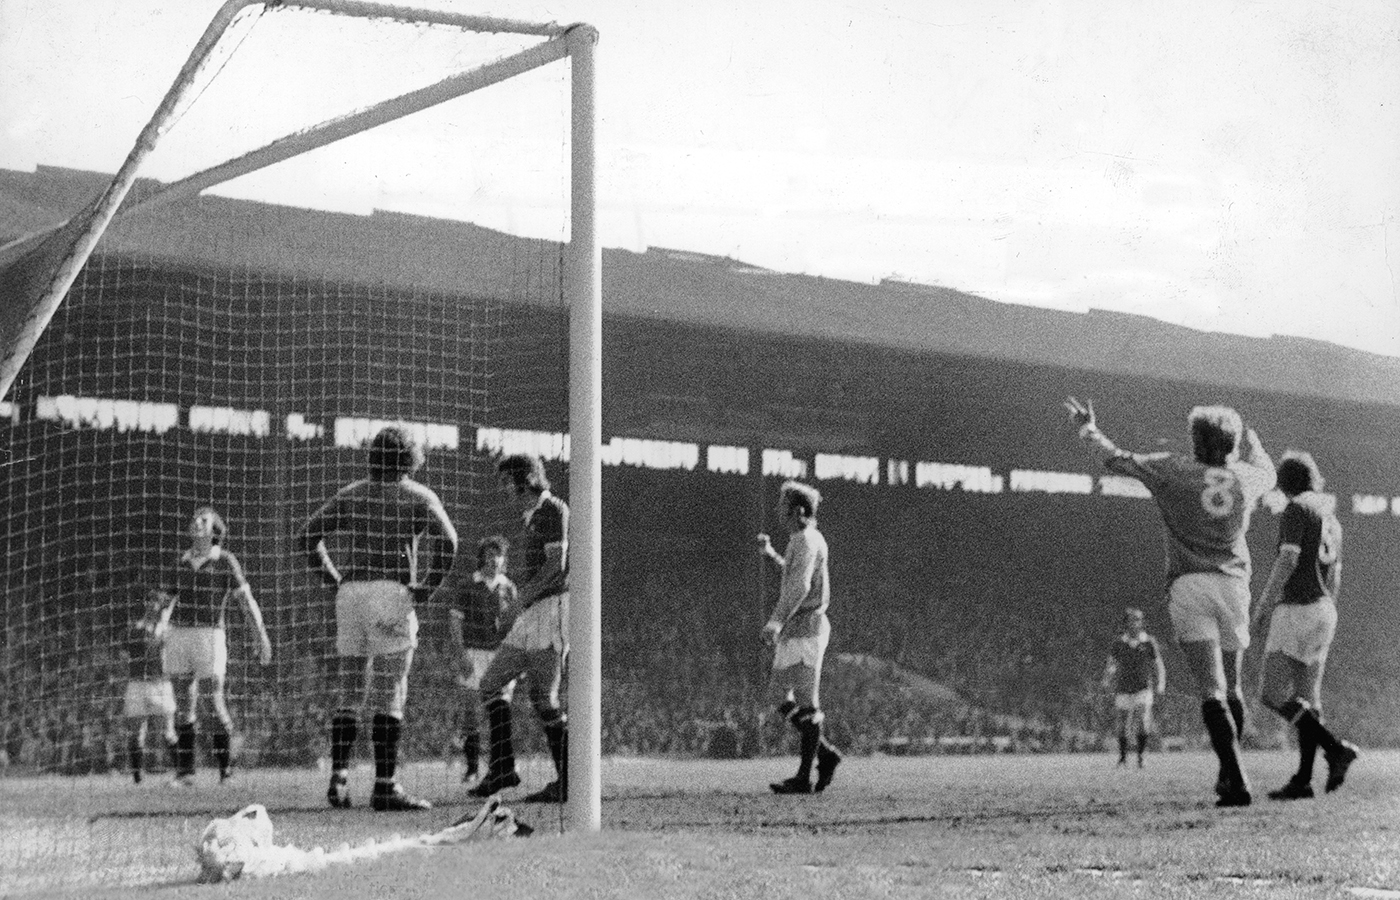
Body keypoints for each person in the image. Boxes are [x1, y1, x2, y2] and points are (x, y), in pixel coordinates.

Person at [1066, 398, 1274, 807]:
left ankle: (1237, 776)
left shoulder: (1172, 469)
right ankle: (1227, 774)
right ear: (1230, 444)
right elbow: (1267, 471)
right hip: (1234, 586)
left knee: (1210, 689)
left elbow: (1115, 460)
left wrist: (1087, 429)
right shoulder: (1246, 478)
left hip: (1190, 585)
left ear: (1195, 440)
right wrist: (1255, 444)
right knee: (1232, 686)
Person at [298, 425, 458, 812]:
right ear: (409, 458)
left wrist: (334, 580)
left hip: (351, 594)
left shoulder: (351, 494)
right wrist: (427, 587)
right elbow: (449, 541)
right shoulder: (418, 496)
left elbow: (306, 537)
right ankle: (385, 785)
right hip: (389, 590)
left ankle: (338, 779)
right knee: (390, 691)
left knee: (351, 691)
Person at [1252, 450, 1359, 800]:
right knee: (1307, 700)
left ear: (1285, 483)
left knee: (1271, 694)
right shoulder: (1332, 520)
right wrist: (1328, 611)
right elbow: (1337, 575)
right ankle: (1302, 780)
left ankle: (1334, 748)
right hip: (1325, 608)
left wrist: (1264, 605)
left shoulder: (1297, 509)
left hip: (1297, 607)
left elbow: (1288, 559)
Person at [469, 454, 570, 804]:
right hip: (533, 612)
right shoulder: (529, 518)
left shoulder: (552, 509)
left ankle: (570, 780)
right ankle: (503, 769)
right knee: (491, 684)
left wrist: (517, 601)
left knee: (544, 698)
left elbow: (557, 565)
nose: (503, 488)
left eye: (506, 480)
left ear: (524, 479)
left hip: (553, 608)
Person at [157, 506, 273, 786]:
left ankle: (225, 770)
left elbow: (246, 602)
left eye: (204, 519)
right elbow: (164, 603)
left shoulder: (224, 561)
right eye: (195, 518)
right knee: (184, 706)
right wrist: (157, 626)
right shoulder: (180, 562)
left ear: (214, 531)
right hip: (179, 636)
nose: (196, 521)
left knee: (213, 702)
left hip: (210, 636)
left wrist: (261, 635)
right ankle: (186, 773)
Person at [757, 480, 843, 795]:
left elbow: (801, 586)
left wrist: (776, 621)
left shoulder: (807, 540)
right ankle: (825, 754)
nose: (778, 510)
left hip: (806, 626)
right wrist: (772, 556)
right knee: (779, 695)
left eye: (783, 505)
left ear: (798, 510)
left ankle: (805, 777)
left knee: (806, 700)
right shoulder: (801, 539)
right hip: (798, 628)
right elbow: (795, 577)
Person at [434, 535, 517, 789]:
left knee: (498, 713)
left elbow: (516, 626)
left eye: (498, 555)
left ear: (504, 560)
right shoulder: (468, 585)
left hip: (499, 656)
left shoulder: (509, 588)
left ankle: (498, 766)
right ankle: (471, 767)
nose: (494, 559)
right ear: (482, 558)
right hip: (473, 654)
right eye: (489, 554)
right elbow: (455, 622)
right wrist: (460, 654)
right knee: (471, 713)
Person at [122, 591, 178, 784]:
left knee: (167, 731)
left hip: (161, 683)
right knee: (137, 732)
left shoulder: (168, 629)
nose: (153, 606)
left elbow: (167, 650)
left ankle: (181, 774)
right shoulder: (135, 629)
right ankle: (137, 777)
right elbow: (125, 653)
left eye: (157, 602)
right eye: (150, 602)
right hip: (137, 683)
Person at [1101, 607, 1167, 768]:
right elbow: (1111, 664)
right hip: (1123, 688)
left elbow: (1157, 664)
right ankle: (1123, 758)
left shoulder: (1148, 642)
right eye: (1132, 620)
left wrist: (1161, 682)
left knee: (1143, 719)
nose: (1135, 623)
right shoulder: (1118, 643)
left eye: (1137, 620)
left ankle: (1141, 756)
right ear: (1126, 623)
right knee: (1122, 724)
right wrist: (1107, 679)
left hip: (1143, 687)